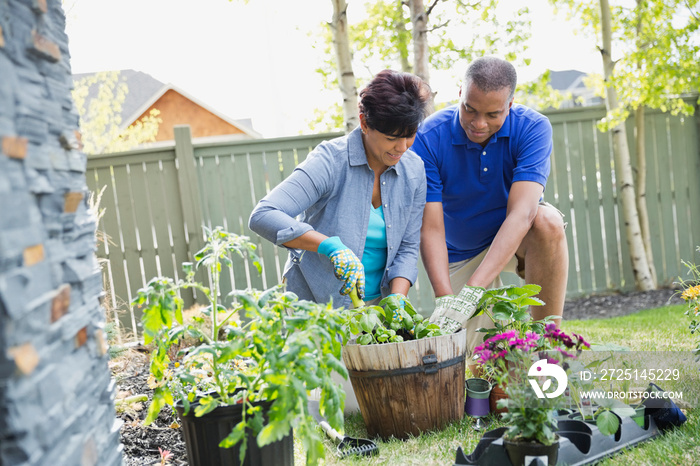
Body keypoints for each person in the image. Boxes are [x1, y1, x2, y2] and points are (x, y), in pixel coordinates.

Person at [411, 57, 569, 362]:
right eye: (470, 108)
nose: (478, 123)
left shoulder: (533, 128)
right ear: (460, 93)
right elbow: (430, 226)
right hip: (461, 255)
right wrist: (448, 298)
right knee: (493, 369)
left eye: (492, 114)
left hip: (512, 240)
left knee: (547, 220)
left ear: (510, 105)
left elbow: (522, 214)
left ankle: (549, 350)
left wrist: (473, 292)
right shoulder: (429, 137)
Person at [249, 69, 431, 312]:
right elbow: (263, 214)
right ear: (365, 123)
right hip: (316, 308)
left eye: (410, 136)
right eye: (391, 138)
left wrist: (397, 299)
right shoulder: (330, 161)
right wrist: (329, 246)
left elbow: (407, 247)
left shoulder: (414, 170)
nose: (402, 147)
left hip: (378, 310)